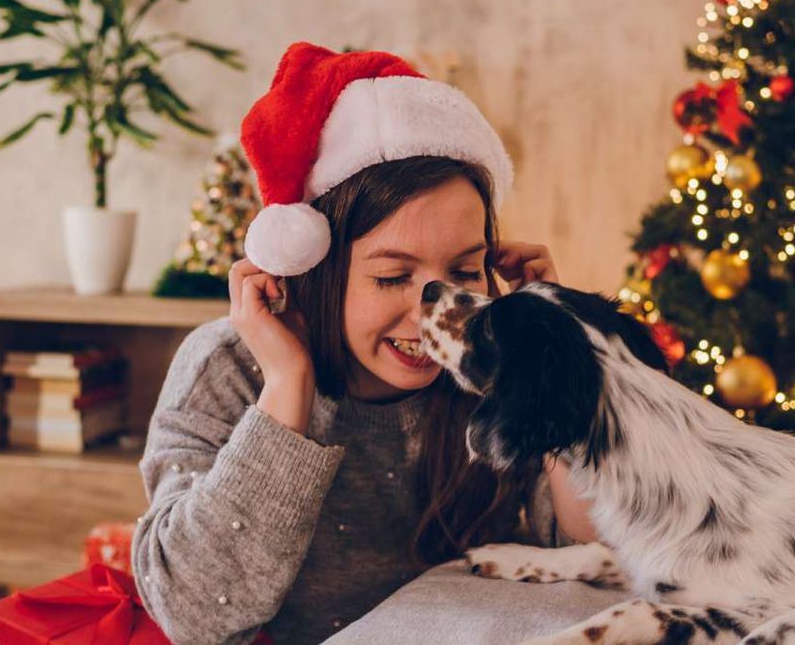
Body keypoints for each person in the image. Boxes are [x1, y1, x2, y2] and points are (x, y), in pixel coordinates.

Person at [132, 42, 598, 645]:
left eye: (463, 273)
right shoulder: (226, 367)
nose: (440, 316)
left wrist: (551, 358)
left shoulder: (496, 362)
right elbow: (194, 612)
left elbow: (596, 553)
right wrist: (287, 389)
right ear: (317, 270)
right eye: (392, 277)